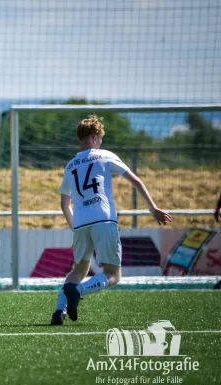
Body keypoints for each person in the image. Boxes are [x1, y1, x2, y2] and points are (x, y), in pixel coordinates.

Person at [51, 114, 172, 325]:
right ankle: (77, 291)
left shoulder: (70, 165)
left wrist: (76, 230)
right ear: (96, 137)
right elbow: (135, 180)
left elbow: (64, 204)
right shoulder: (105, 156)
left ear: (81, 139)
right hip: (103, 220)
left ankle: (58, 312)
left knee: (78, 270)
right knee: (113, 274)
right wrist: (152, 208)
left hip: (80, 223)